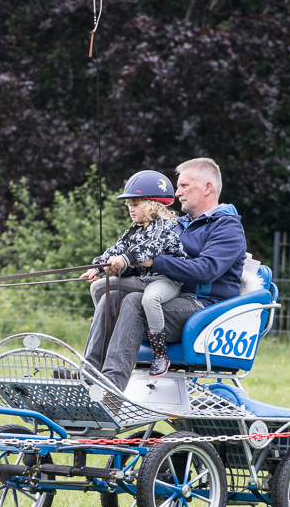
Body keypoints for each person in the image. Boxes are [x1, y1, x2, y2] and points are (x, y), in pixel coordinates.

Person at [82, 158, 247, 391]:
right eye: (178, 186)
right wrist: (121, 266)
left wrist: (154, 261)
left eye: (184, 186)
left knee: (134, 302)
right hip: (168, 297)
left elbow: (206, 270)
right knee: (111, 293)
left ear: (208, 187)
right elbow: (147, 262)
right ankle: (88, 374)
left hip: (205, 309)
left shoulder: (226, 227)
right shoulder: (177, 225)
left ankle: (111, 386)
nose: (177, 192)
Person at [79, 170, 187, 376]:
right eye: (129, 205)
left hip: (167, 280)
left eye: (135, 204)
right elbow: (117, 249)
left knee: (150, 298)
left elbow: (149, 247)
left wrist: (126, 259)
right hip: (144, 278)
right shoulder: (135, 228)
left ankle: (161, 353)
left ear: (152, 205)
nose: (131, 209)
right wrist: (98, 267)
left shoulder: (164, 226)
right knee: (99, 286)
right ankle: (106, 335)